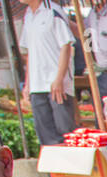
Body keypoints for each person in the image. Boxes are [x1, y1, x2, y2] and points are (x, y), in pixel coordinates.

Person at [19, 0, 78, 146]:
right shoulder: (27, 15)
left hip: (57, 85)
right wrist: (28, 84)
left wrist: (59, 79)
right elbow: (29, 53)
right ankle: (55, 169)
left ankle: (70, 168)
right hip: (37, 86)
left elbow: (66, 46)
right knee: (46, 137)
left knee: (65, 134)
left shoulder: (53, 11)